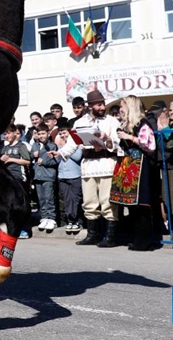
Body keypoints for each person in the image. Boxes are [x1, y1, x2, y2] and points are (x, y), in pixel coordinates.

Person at [113, 96, 162, 251]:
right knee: (132, 205)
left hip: (141, 165)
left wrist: (129, 137)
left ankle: (144, 240)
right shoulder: (126, 124)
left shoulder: (143, 123)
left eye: (123, 105)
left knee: (142, 204)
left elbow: (150, 145)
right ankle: (136, 237)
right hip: (128, 164)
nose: (121, 108)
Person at [73, 89, 121, 247]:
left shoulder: (112, 121)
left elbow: (118, 141)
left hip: (107, 164)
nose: (102, 107)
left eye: (103, 104)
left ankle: (111, 237)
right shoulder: (80, 122)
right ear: (90, 106)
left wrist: (107, 141)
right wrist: (60, 153)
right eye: (99, 105)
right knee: (89, 201)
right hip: (88, 165)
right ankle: (93, 234)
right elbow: (72, 142)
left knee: (107, 201)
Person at [52, 126, 84, 234]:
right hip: (62, 176)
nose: (62, 135)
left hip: (75, 175)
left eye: (64, 133)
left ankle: (78, 221)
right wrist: (60, 151)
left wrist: (64, 151)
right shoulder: (59, 146)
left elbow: (77, 157)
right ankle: (70, 220)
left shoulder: (76, 145)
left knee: (76, 200)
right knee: (67, 200)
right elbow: (56, 161)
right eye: (60, 134)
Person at [31, 124, 58, 232]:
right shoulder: (35, 146)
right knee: (41, 198)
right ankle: (44, 217)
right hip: (38, 176)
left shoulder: (52, 146)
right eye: (39, 134)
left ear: (48, 133)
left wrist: (44, 161)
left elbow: (55, 161)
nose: (41, 136)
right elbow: (30, 156)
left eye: (43, 133)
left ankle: (51, 218)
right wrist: (33, 155)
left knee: (49, 198)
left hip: (48, 176)